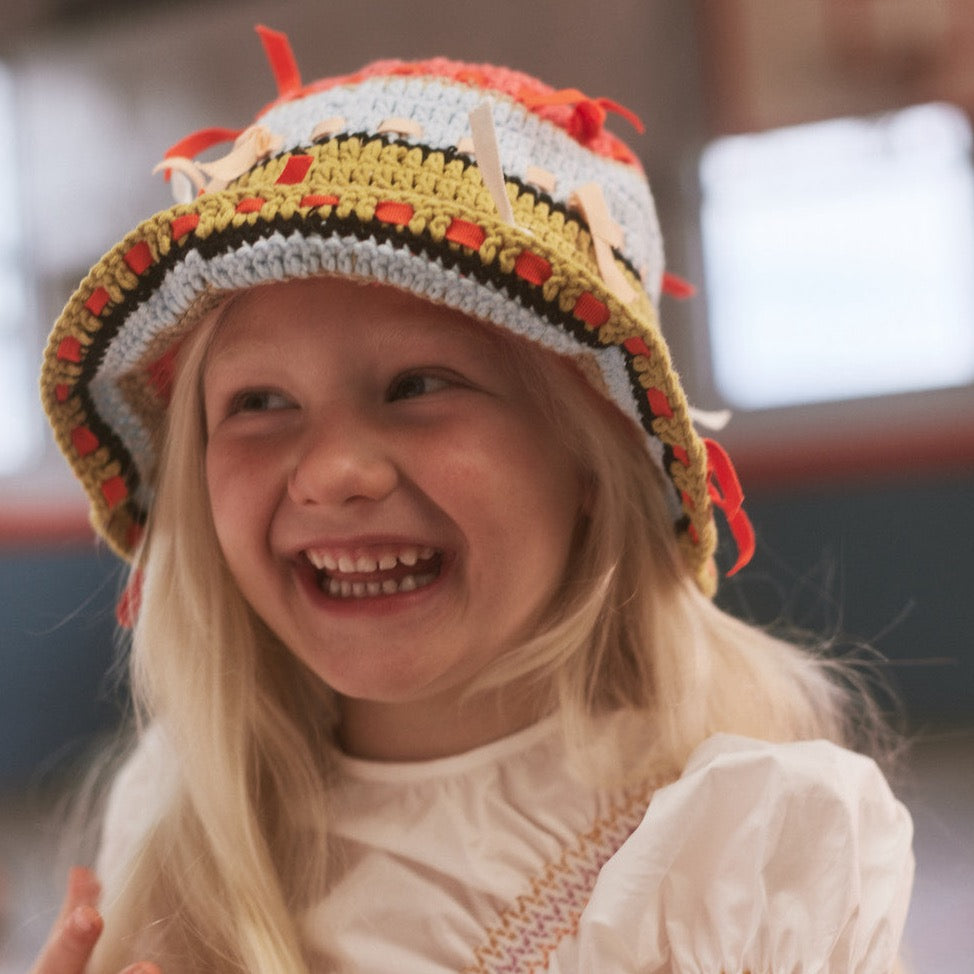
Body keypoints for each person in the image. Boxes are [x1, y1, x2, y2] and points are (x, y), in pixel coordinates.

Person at [33, 25, 913, 974]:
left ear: (589, 460)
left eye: (418, 385)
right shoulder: (182, 823)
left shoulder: (740, 851)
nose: (332, 472)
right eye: (260, 403)